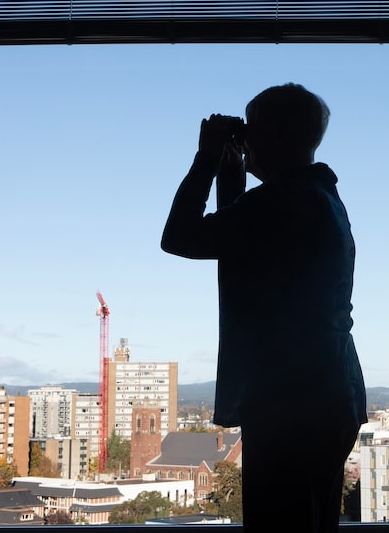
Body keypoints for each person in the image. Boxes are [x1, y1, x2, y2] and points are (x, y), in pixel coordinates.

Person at [161, 83, 367, 531]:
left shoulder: (282, 201)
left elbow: (179, 237)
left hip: (290, 400)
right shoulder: (316, 196)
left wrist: (207, 159)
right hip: (328, 391)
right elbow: (240, 235)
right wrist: (231, 171)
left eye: (251, 128)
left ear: (273, 136)